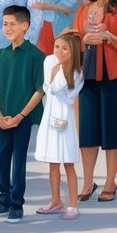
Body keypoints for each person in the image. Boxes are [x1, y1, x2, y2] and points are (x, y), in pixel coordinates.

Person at [72, 0, 117, 204]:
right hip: (87, 76)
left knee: (112, 130)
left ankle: (110, 181)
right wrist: (84, 40)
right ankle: (88, 181)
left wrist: (109, 38)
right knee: (87, 132)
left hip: (115, 77)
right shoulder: (83, 10)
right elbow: (74, 40)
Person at [0, 5, 45, 225]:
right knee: (0, 159)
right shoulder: (1, 54)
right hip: (1, 119)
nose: (8, 28)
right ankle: (3, 199)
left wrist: (20, 116)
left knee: (18, 161)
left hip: (22, 119)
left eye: (12, 24)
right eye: (5, 24)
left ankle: (16, 203)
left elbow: (39, 90)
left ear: (25, 26)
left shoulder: (36, 56)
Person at [34, 31, 85, 220]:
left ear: (73, 51)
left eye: (65, 48)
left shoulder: (77, 73)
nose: (59, 51)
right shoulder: (49, 62)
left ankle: (73, 204)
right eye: (57, 47)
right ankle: (56, 201)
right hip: (50, 119)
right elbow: (47, 89)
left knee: (68, 163)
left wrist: (57, 76)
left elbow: (67, 98)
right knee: (53, 163)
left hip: (65, 121)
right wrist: (53, 78)